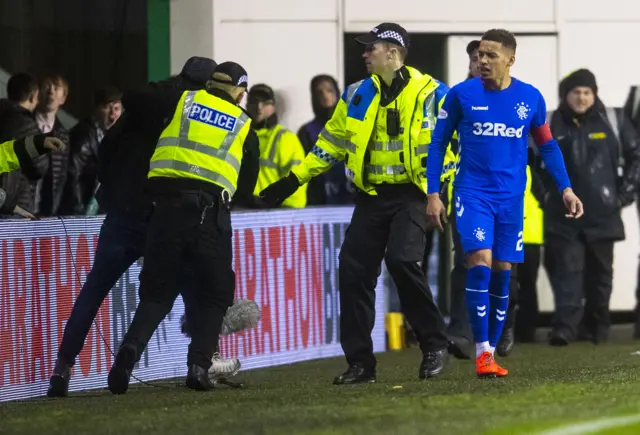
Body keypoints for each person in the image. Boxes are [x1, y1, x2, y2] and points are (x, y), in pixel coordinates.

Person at [260, 23, 457, 384]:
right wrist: (291, 181)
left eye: (371, 49)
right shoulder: (355, 94)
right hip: (370, 198)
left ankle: (433, 343)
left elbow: (451, 146)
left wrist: (436, 193)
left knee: (401, 260)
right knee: (352, 272)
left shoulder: (433, 94)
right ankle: (361, 363)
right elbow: (328, 146)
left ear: (393, 53)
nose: (364, 55)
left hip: (412, 196)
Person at [46, 58, 244, 397]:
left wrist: (112, 190)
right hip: (161, 216)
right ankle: (202, 360)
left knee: (94, 291)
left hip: (122, 214)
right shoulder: (185, 109)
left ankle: (61, 371)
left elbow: (107, 148)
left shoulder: (145, 104)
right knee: (183, 290)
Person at [426, 29, 583, 378]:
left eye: (490, 55)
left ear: (510, 59)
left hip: (511, 200)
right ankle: (482, 352)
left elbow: (547, 146)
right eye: (480, 54)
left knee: (503, 276)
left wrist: (566, 189)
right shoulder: (460, 96)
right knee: (478, 263)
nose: (482, 61)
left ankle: (491, 351)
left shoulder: (530, 98)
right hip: (472, 194)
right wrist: (433, 192)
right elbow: (437, 144)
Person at [107, 61, 259, 394]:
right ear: (239, 92)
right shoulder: (245, 125)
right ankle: (199, 366)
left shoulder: (182, 101)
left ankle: (127, 355)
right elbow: (246, 185)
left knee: (157, 294)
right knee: (214, 296)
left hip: (164, 212)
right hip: (209, 217)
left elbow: (134, 96)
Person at [541, 69, 640, 346]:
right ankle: (564, 330)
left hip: (603, 214)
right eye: (576, 92)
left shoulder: (613, 121)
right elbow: (531, 162)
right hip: (562, 216)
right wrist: (545, 195)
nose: (582, 98)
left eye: (587, 92)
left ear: (594, 94)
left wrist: (623, 197)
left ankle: (598, 330)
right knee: (566, 274)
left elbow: (636, 157)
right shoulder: (549, 123)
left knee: (601, 277)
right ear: (565, 95)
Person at [246, 84, 307, 209]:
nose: (259, 108)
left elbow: (297, 179)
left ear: (273, 106)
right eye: (254, 102)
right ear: (247, 105)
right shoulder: (239, 135)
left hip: (275, 214)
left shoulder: (285, 138)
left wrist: (287, 212)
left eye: (265, 103)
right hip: (242, 210)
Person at [298, 75, 355, 205]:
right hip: (321, 203)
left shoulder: (354, 124)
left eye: (329, 90)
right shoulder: (307, 131)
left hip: (354, 198)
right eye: (319, 92)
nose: (325, 95)